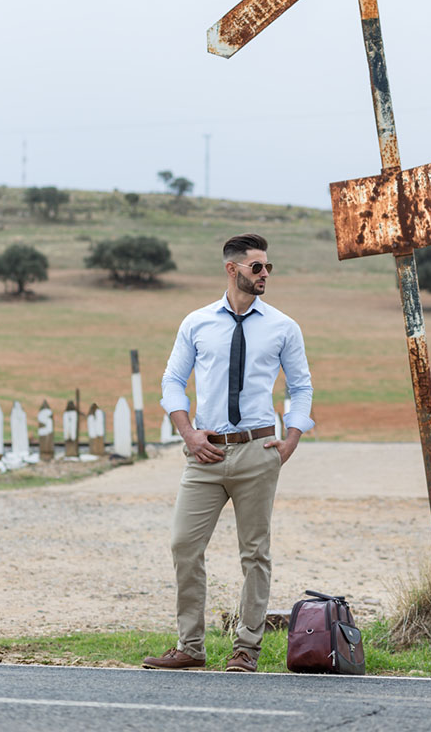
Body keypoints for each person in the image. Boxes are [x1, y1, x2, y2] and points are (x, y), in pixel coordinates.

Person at [143, 232, 314, 673]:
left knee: (255, 552)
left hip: (258, 450)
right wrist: (188, 434)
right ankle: (190, 646)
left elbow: (301, 386)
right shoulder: (197, 322)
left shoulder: (282, 326)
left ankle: (247, 648)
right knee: (184, 544)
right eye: (257, 267)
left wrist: (292, 437)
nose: (264, 274)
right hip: (205, 453)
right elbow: (170, 382)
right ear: (231, 269)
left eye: (268, 267)